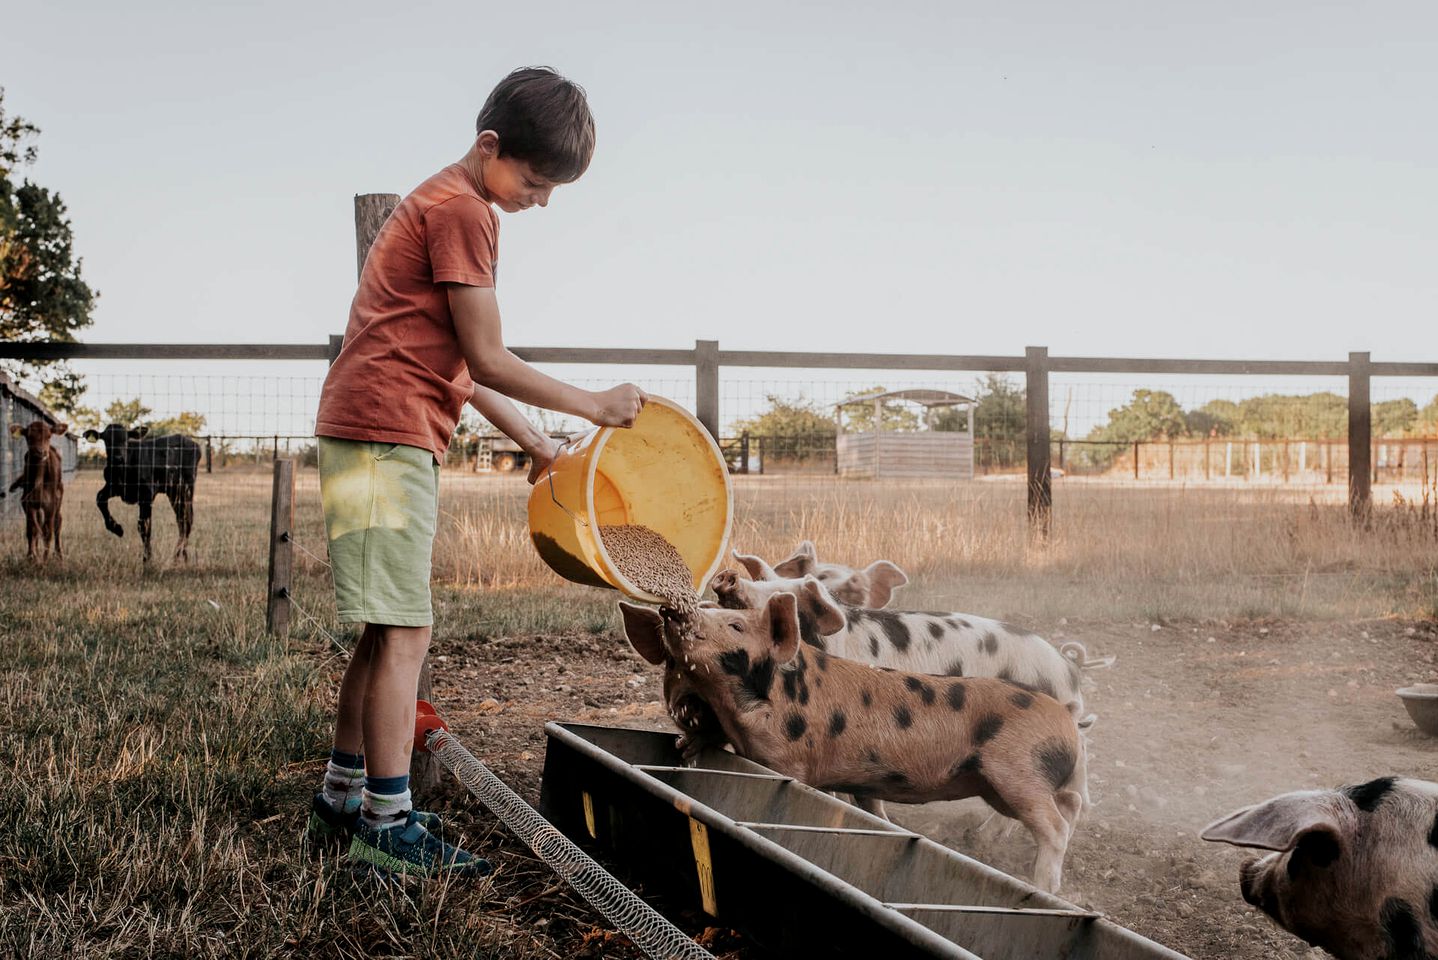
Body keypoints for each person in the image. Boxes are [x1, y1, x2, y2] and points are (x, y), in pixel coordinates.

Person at [307, 66, 646, 877]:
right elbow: (490, 353)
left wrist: (534, 441)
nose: (541, 199)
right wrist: (592, 403)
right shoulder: (464, 210)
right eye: (533, 180)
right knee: (408, 630)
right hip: (386, 436)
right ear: (490, 147)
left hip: (376, 429)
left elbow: (462, 364)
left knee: (385, 626)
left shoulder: (440, 202)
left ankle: (341, 795)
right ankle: (387, 828)